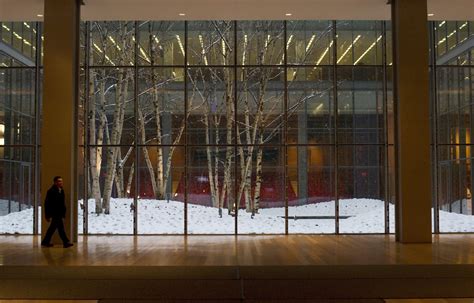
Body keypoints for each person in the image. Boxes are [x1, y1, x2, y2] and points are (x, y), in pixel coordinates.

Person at [41, 176, 73, 248]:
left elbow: (62, 203)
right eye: (59, 181)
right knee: (59, 228)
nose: (61, 182)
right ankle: (65, 242)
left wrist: (63, 213)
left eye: (61, 181)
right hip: (55, 213)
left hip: (59, 213)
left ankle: (45, 241)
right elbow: (47, 204)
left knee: (53, 228)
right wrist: (47, 215)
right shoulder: (51, 191)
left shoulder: (61, 190)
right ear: (55, 182)